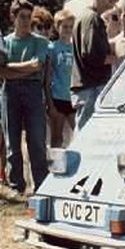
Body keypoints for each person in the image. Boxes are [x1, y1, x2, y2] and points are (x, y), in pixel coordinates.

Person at [1, 0, 50, 195]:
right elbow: (0, 72)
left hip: (33, 91)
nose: (26, 21)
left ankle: (41, 185)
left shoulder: (40, 41)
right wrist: (21, 68)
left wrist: (9, 68)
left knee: (37, 141)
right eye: (21, 17)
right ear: (13, 17)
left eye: (29, 17)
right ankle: (16, 187)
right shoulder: (5, 42)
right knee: (12, 141)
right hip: (10, 91)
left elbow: (37, 65)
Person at [71, 0, 125, 130]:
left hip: (87, 88)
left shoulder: (87, 16)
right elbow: (92, 55)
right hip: (91, 89)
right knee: (86, 136)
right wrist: (120, 58)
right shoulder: (93, 19)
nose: (116, 0)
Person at [47, 9, 76, 147]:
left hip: (72, 96)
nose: (68, 30)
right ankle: (54, 165)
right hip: (58, 95)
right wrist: (49, 102)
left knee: (78, 130)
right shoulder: (52, 47)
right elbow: (49, 74)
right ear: (57, 27)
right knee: (57, 136)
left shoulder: (75, 47)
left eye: (71, 26)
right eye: (65, 26)